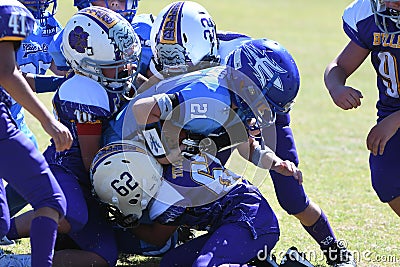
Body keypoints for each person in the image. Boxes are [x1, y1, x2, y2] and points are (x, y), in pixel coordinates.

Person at [146, 2, 357, 266]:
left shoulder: (235, 65)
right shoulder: (179, 57)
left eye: (179, 59)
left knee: (290, 194)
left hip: (260, 106)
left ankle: (335, 250)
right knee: (193, 174)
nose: (174, 65)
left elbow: (249, 134)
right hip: (224, 111)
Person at [2, 6, 142, 267]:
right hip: (67, 170)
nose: (127, 69)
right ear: (87, 62)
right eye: (117, 64)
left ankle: (18, 262)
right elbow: (91, 160)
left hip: (86, 181)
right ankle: (6, 232)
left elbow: (146, 88)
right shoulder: (84, 92)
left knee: (103, 256)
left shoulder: (101, 79)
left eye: (127, 61)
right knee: (73, 213)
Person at [90, 140, 282, 266]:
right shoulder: (177, 157)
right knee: (172, 263)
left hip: (251, 221)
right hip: (246, 215)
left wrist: (128, 224)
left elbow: (158, 239)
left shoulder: (166, 199)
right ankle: (256, 260)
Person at [0, 1, 73, 266]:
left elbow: (16, 74)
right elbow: (7, 73)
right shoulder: (8, 11)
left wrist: (63, 81)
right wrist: (48, 122)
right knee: (49, 199)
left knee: (1, 220)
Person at [324, 0, 400, 219]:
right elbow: (339, 66)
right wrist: (336, 87)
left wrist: (394, 120)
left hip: (393, 117)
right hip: (391, 110)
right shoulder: (370, 16)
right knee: (386, 179)